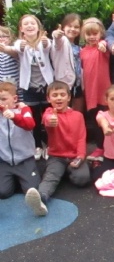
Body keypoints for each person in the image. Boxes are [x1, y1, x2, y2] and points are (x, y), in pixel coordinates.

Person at [24, 81, 91, 217]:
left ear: (69, 97)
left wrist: (80, 157)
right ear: (48, 99)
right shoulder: (49, 113)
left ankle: (66, 172)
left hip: (74, 156)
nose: (59, 98)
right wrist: (51, 120)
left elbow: (81, 138)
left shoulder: (78, 116)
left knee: (82, 179)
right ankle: (41, 199)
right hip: (57, 156)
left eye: (62, 95)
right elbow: (47, 120)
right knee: (50, 177)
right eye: (55, 95)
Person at [14, 14, 54, 160]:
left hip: (46, 86)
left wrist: (45, 41)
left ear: (38, 28)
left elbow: (48, 45)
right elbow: (17, 47)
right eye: (26, 24)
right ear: (21, 29)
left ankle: (49, 145)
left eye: (33, 23)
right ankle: (37, 145)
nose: (30, 26)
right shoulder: (20, 43)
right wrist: (21, 45)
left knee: (48, 117)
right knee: (34, 119)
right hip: (29, 88)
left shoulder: (44, 42)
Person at [0, 82, 41, 202]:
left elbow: (30, 124)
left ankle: (24, 177)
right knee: (3, 192)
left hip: (24, 159)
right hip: (5, 160)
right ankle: (13, 179)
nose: (0, 102)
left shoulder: (24, 110)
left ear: (15, 99)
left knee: (32, 190)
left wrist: (14, 117)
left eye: (3, 99)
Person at [80, 17, 111, 163]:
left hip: (104, 92)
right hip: (90, 92)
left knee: (107, 120)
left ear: (100, 34)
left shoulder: (102, 47)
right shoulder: (82, 52)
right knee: (95, 121)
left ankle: (109, 147)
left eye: (95, 34)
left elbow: (107, 45)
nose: (92, 37)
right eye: (88, 34)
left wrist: (104, 44)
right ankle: (100, 147)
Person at [51, 13, 84, 113]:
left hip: (78, 84)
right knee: (63, 113)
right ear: (63, 27)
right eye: (69, 26)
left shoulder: (79, 47)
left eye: (76, 27)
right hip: (64, 83)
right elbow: (57, 41)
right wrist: (56, 35)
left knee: (77, 114)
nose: (73, 29)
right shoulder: (62, 42)